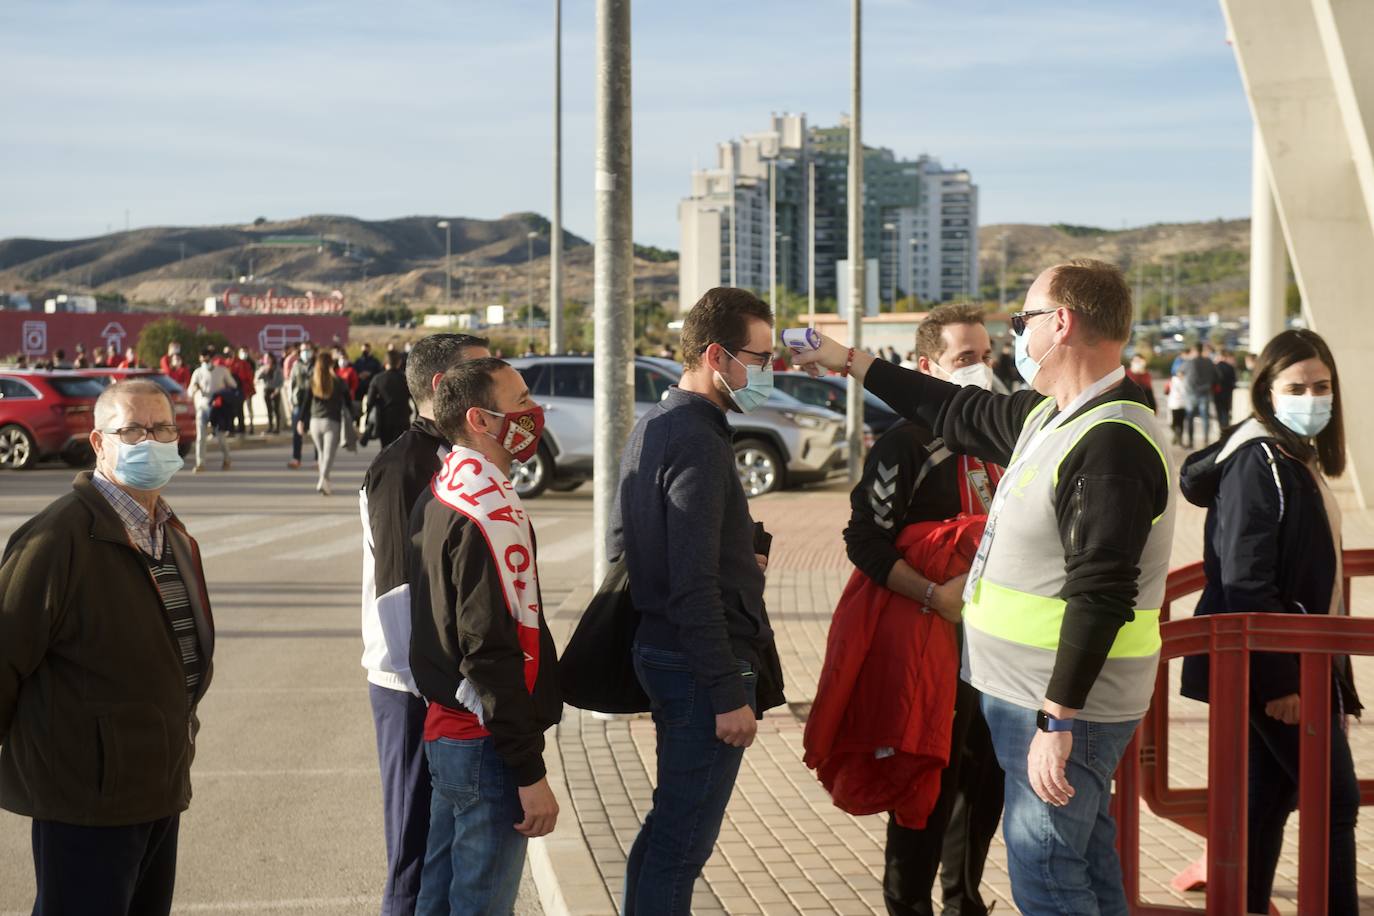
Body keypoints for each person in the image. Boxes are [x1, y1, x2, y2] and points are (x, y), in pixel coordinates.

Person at [796, 259, 1175, 916]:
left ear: (1061, 323)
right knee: (1082, 860)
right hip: (1030, 698)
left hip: (1059, 709)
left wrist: (1059, 719)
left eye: (1022, 319)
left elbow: (1102, 591)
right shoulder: (1053, 416)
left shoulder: (1110, 441)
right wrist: (845, 359)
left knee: (1049, 878)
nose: (1016, 337)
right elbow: (950, 405)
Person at [0, 379, 213, 916]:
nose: (152, 439)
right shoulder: (56, 539)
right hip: (85, 801)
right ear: (99, 442)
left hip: (157, 787)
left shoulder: (172, 532)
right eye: (134, 429)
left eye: (162, 427)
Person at [610, 287, 786, 915]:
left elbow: (624, 543)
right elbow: (690, 583)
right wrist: (726, 692)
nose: (769, 371)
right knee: (682, 846)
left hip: (665, 652)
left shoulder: (658, 423)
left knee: (667, 831)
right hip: (696, 666)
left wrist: (741, 556)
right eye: (760, 357)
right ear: (717, 355)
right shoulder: (697, 439)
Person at [1178, 328, 1360, 915]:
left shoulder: (1290, 456)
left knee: (1267, 795)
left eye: (1322, 386)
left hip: (1293, 659)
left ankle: (1245, 906)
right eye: (1297, 386)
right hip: (1278, 667)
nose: (1312, 397)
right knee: (1335, 802)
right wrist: (1282, 680)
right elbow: (1246, 579)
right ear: (1267, 392)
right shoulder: (1258, 461)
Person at [841, 304, 1004, 916]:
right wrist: (934, 596)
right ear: (925, 366)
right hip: (925, 645)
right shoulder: (903, 445)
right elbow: (864, 542)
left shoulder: (997, 435)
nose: (981, 371)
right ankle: (907, 905)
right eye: (966, 360)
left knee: (985, 780)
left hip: (992, 649)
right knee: (924, 784)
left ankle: (964, 900)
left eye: (986, 357)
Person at [408, 357, 562, 915]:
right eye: (520, 401)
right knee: (478, 904)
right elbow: (491, 650)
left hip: (451, 733)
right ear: (480, 418)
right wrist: (529, 770)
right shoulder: (485, 512)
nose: (532, 412)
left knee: (439, 899)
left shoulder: (446, 486)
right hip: (484, 744)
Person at [359, 333, 490, 915]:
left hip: (443, 683)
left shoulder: (457, 455)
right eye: (481, 371)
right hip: (413, 685)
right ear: (443, 387)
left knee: (441, 848)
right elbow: (398, 592)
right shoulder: (402, 466)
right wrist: (441, 686)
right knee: (413, 849)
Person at [297, 352, 352, 496]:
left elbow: (305, 402)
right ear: (331, 364)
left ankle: (326, 483)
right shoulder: (338, 381)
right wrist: (354, 417)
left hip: (315, 422)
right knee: (328, 455)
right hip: (332, 421)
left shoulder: (312, 380)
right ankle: (322, 479)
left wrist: (301, 420)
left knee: (322, 454)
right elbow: (348, 401)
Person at [188, 346, 236, 472]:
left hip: (217, 407)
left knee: (220, 435)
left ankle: (227, 458)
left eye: (207, 358)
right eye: (203, 358)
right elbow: (189, 391)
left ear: (212, 358)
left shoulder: (222, 370)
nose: (205, 361)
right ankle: (200, 463)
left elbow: (233, 385)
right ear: (200, 359)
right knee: (201, 436)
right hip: (202, 406)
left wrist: (222, 393)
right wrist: (194, 388)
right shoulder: (197, 372)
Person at [366, 351, 415, 449]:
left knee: (386, 449)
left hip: (384, 420)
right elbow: (415, 399)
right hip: (403, 419)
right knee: (401, 450)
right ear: (399, 362)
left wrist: (368, 418)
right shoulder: (406, 379)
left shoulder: (377, 379)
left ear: (384, 363)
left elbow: (369, 402)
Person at [287, 342, 315, 469]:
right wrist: (290, 401)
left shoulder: (316, 366)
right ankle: (296, 458)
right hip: (298, 402)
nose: (306, 352)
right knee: (297, 432)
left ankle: (318, 459)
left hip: (313, 403)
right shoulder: (296, 365)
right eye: (304, 350)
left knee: (315, 432)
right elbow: (291, 384)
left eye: (308, 350)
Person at [1182, 345, 1217, 448]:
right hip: (1205, 392)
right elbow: (1217, 375)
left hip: (1191, 394)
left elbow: (1179, 372)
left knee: (1190, 417)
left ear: (1193, 350)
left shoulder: (1189, 362)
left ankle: (1191, 441)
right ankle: (1206, 440)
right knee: (1205, 417)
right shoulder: (1209, 362)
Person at [230, 347, 256, 435]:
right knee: (239, 409)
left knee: (249, 408)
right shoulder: (234, 363)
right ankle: (240, 427)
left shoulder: (249, 363)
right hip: (239, 390)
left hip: (247, 389)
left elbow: (250, 376)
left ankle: (251, 426)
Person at [256, 353, 284, 435]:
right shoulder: (263, 368)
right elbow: (258, 377)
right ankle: (270, 427)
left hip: (275, 389)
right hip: (266, 389)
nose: (267, 360)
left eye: (268, 358)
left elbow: (281, 381)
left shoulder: (277, 368)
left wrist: (277, 390)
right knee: (269, 409)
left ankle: (277, 427)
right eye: (265, 358)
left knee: (276, 409)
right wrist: (263, 370)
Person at [1213, 349, 1237, 430]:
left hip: (1217, 392)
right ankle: (1225, 427)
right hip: (1227, 392)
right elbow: (1234, 381)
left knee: (1219, 410)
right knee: (1226, 411)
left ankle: (1221, 426)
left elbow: (1212, 380)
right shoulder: (1230, 367)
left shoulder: (1215, 367)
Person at [354, 342, 383, 407]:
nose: (365, 352)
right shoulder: (357, 361)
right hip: (359, 387)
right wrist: (359, 375)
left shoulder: (375, 361)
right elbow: (353, 372)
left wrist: (370, 374)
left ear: (370, 350)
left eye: (366, 350)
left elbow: (379, 373)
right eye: (363, 350)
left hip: (371, 386)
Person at [1166, 366, 1188, 447]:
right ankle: (1176, 435)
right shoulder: (1173, 381)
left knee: (1181, 423)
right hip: (1174, 404)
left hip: (1183, 405)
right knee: (1173, 423)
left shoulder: (1186, 381)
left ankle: (1179, 439)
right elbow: (1166, 390)